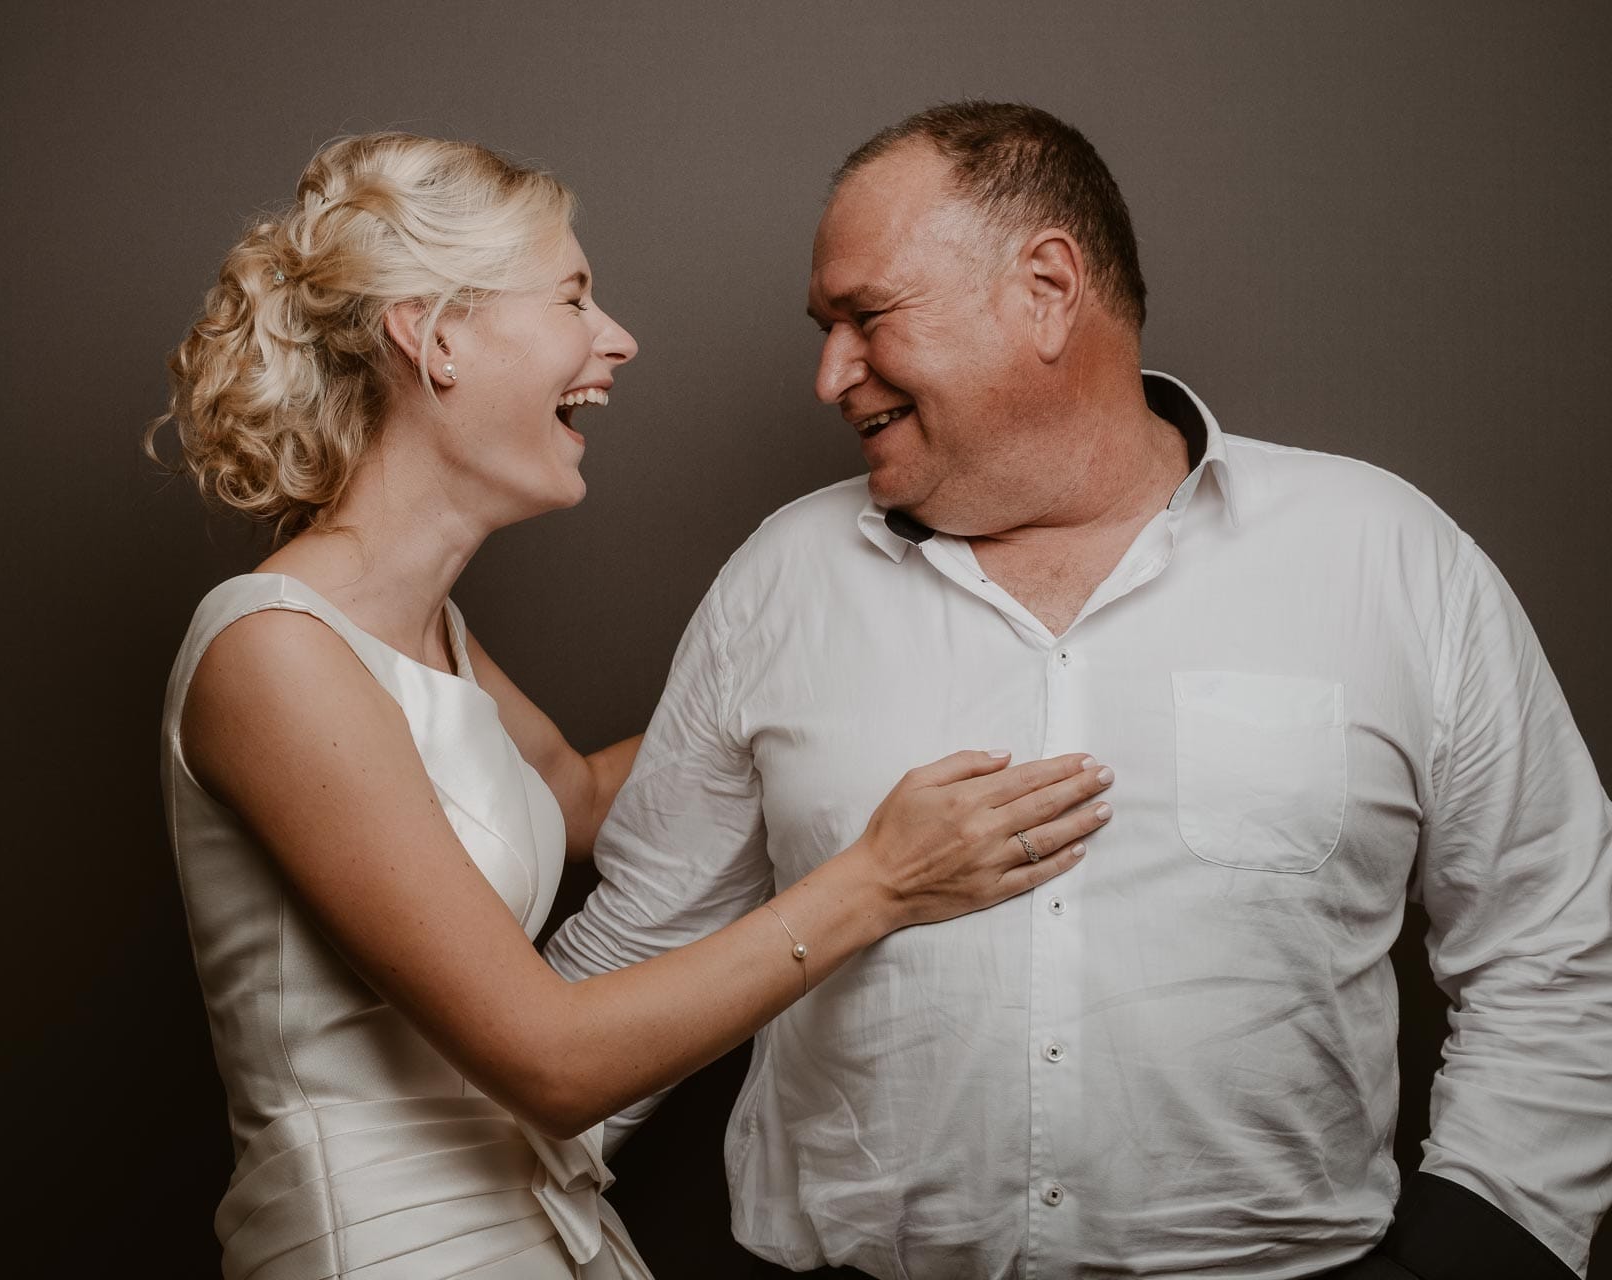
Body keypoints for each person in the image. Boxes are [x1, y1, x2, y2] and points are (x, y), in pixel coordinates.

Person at [546, 101, 1612, 1279]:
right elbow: (640, 944)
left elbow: (1553, 942)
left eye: (864, 317)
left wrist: (1489, 1250)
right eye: (822, 328)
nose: (828, 374)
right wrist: (440, 1192)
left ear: (1045, 288)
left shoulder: (1388, 557)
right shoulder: (782, 578)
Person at [148, 132, 1116, 1280]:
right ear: (437, 334)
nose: (615, 339)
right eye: (572, 297)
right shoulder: (273, 654)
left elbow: (583, 793)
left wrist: (838, 676)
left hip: (535, 1229)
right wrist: (879, 881)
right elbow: (553, 1060)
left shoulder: (424, 633)